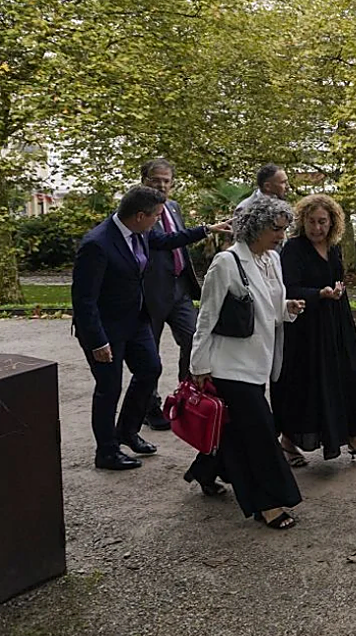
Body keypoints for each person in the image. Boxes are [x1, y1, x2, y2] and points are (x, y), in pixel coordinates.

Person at [71, 185, 223, 471]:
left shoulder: (141, 232)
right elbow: (83, 299)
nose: (159, 221)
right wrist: (97, 341)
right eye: (156, 216)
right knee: (108, 388)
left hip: (136, 320)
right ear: (140, 215)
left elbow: (168, 240)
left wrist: (207, 229)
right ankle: (106, 451)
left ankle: (127, 431)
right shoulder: (97, 244)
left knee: (150, 370)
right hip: (105, 330)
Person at [187, 196, 305, 529]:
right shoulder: (226, 263)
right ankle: (267, 503)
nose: (281, 236)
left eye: (283, 229)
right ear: (254, 227)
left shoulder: (272, 259)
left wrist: (288, 308)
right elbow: (206, 316)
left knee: (235, 430)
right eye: (275, 229)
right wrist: (198, 365)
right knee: (260, 432)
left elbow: (271, 306)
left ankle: (204, 471)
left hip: (259, 362)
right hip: (228, 365)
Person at [274, 194, 356, 466]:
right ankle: (289, 441)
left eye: (322, 222)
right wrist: (319, 293)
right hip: (306, 327)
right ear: (303, 221)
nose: (317, 228)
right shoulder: (293, 249)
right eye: (311, 221)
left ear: (332, 223)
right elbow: (287, 288)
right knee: (307, 386)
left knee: (351, 375)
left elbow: (337, 277)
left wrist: (337, 289)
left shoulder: (333, 248)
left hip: (336, 321)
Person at [140, 158, 218, 431]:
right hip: (151, 294)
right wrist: (205, 230)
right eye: (155, 180)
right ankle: (149, 406)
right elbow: (162, 242)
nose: (161, 185)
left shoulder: (173, 207)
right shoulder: (139, 211)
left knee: (194, 340)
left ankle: (187, 397)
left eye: (166, 181)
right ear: (144, 181)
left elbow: (178, 244)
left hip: (180, 290)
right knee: (149, 355)